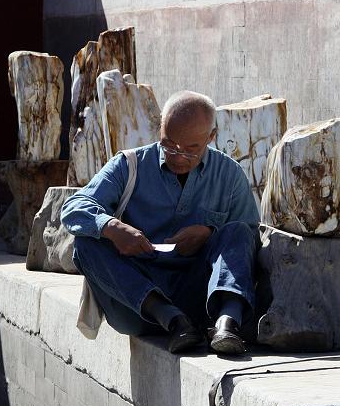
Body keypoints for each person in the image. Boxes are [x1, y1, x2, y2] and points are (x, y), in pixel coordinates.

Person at [60, 90, 260, 355]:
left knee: (238, 231)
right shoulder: (129, 165)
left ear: (211, 138)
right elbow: (72, 208)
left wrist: (210, 234)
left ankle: (227, 323)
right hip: (137, 304)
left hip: (200, 295)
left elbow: (252, 239)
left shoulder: (229, 174)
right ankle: (172, 318)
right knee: (86, 244)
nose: (178, 156)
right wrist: (113, 227)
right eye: (169, 145)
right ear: (160, 129)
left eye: (191, 150)